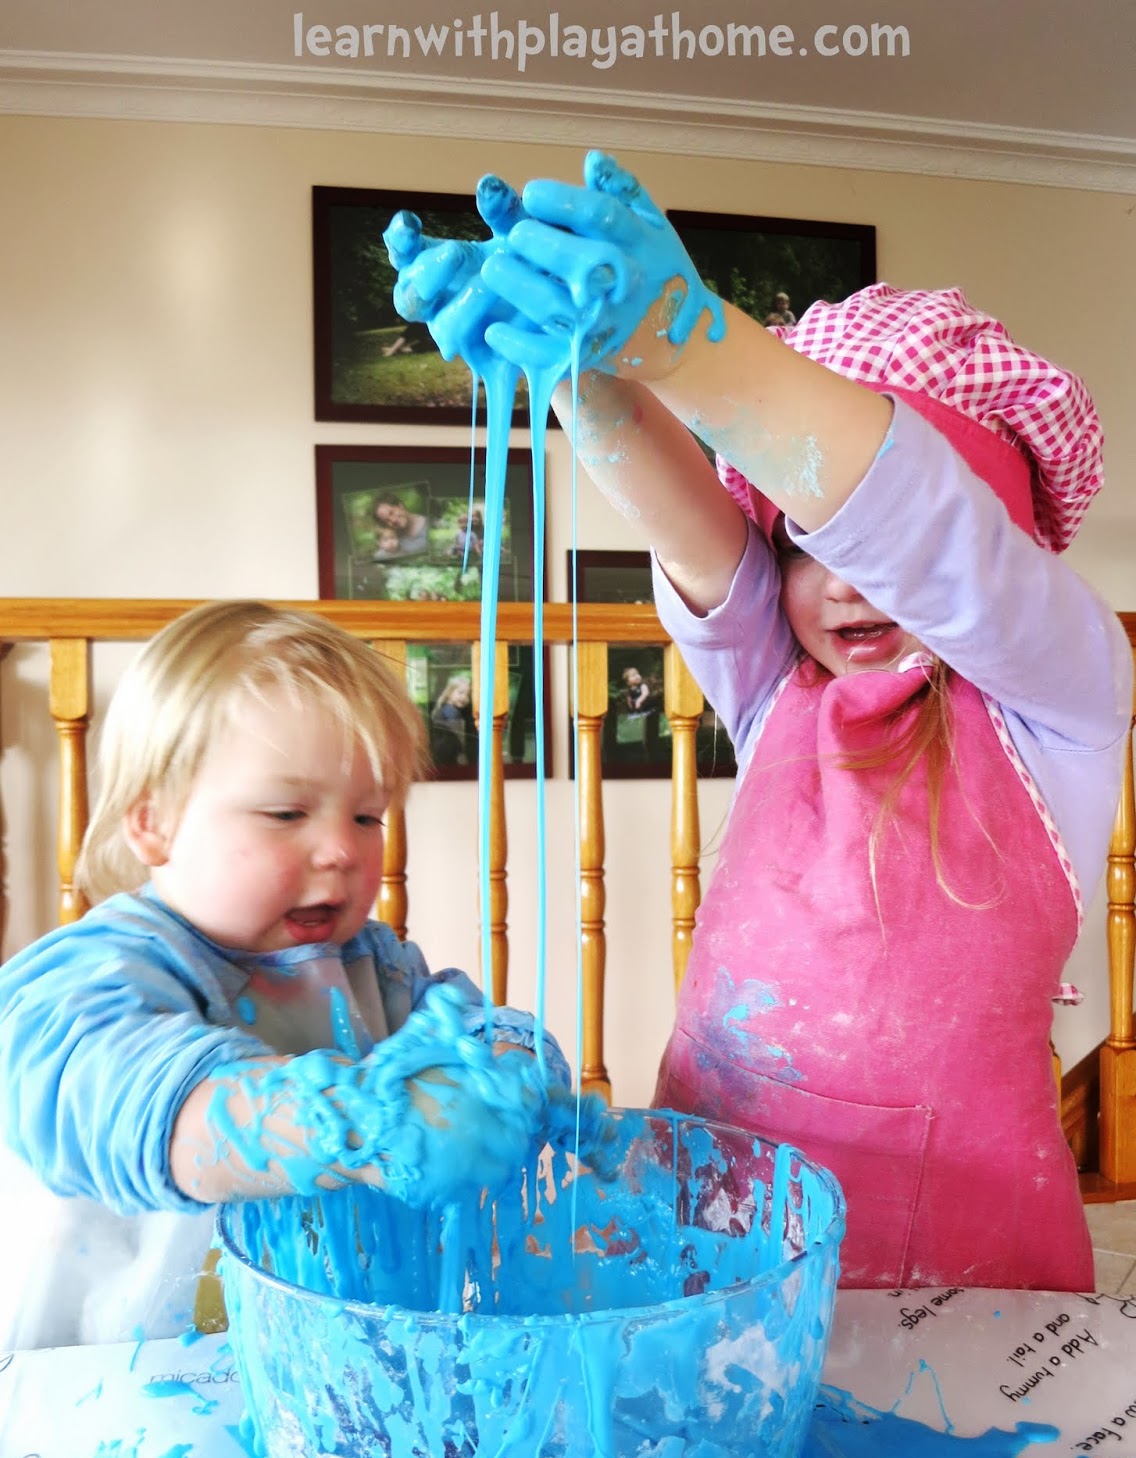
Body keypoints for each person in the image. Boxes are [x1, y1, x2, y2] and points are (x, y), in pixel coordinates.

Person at [386, 150, 1132, 1292]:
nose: (841, 581)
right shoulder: (773, 687)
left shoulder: (1062, 700)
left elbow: (942, 549)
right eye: (798, 542)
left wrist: (691, 341)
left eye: (864, 542)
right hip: (713, 1219)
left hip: (957, 1251)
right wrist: (583, 375)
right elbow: (692, 531)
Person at [0, 601, 574, 1350]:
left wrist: (506, 1071)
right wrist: (354, 1123)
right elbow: (126, 1098)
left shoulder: (379, 968)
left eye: (367, 817)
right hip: (124, 1379)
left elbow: (480, 1030)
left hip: (316, 1355)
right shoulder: (96, 972)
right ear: (154, 821)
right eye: (285, 812)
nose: (342, 849)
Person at [431, 672, 475, 766]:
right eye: (460, 693)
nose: (464, 697)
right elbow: (459, 735)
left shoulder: (443, 708)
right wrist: (462, 753)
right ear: (449, 693)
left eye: (467, 695)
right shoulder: (451, 712)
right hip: (448, 752)